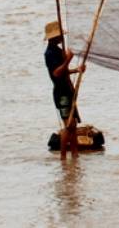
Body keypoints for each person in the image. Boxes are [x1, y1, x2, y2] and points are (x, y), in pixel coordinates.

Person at [43, 21, 84, 157]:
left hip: (67, 90)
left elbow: (64, 71)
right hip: (62, 93)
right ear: (54, 37)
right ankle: (63, 157)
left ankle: (75, 155)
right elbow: (56, 73)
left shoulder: (57, 50)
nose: (62, 37)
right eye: (60, 35)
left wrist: (76, 70)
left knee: (73, 125)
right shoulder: (50, 53)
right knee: (68, 125)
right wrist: (68, 59)